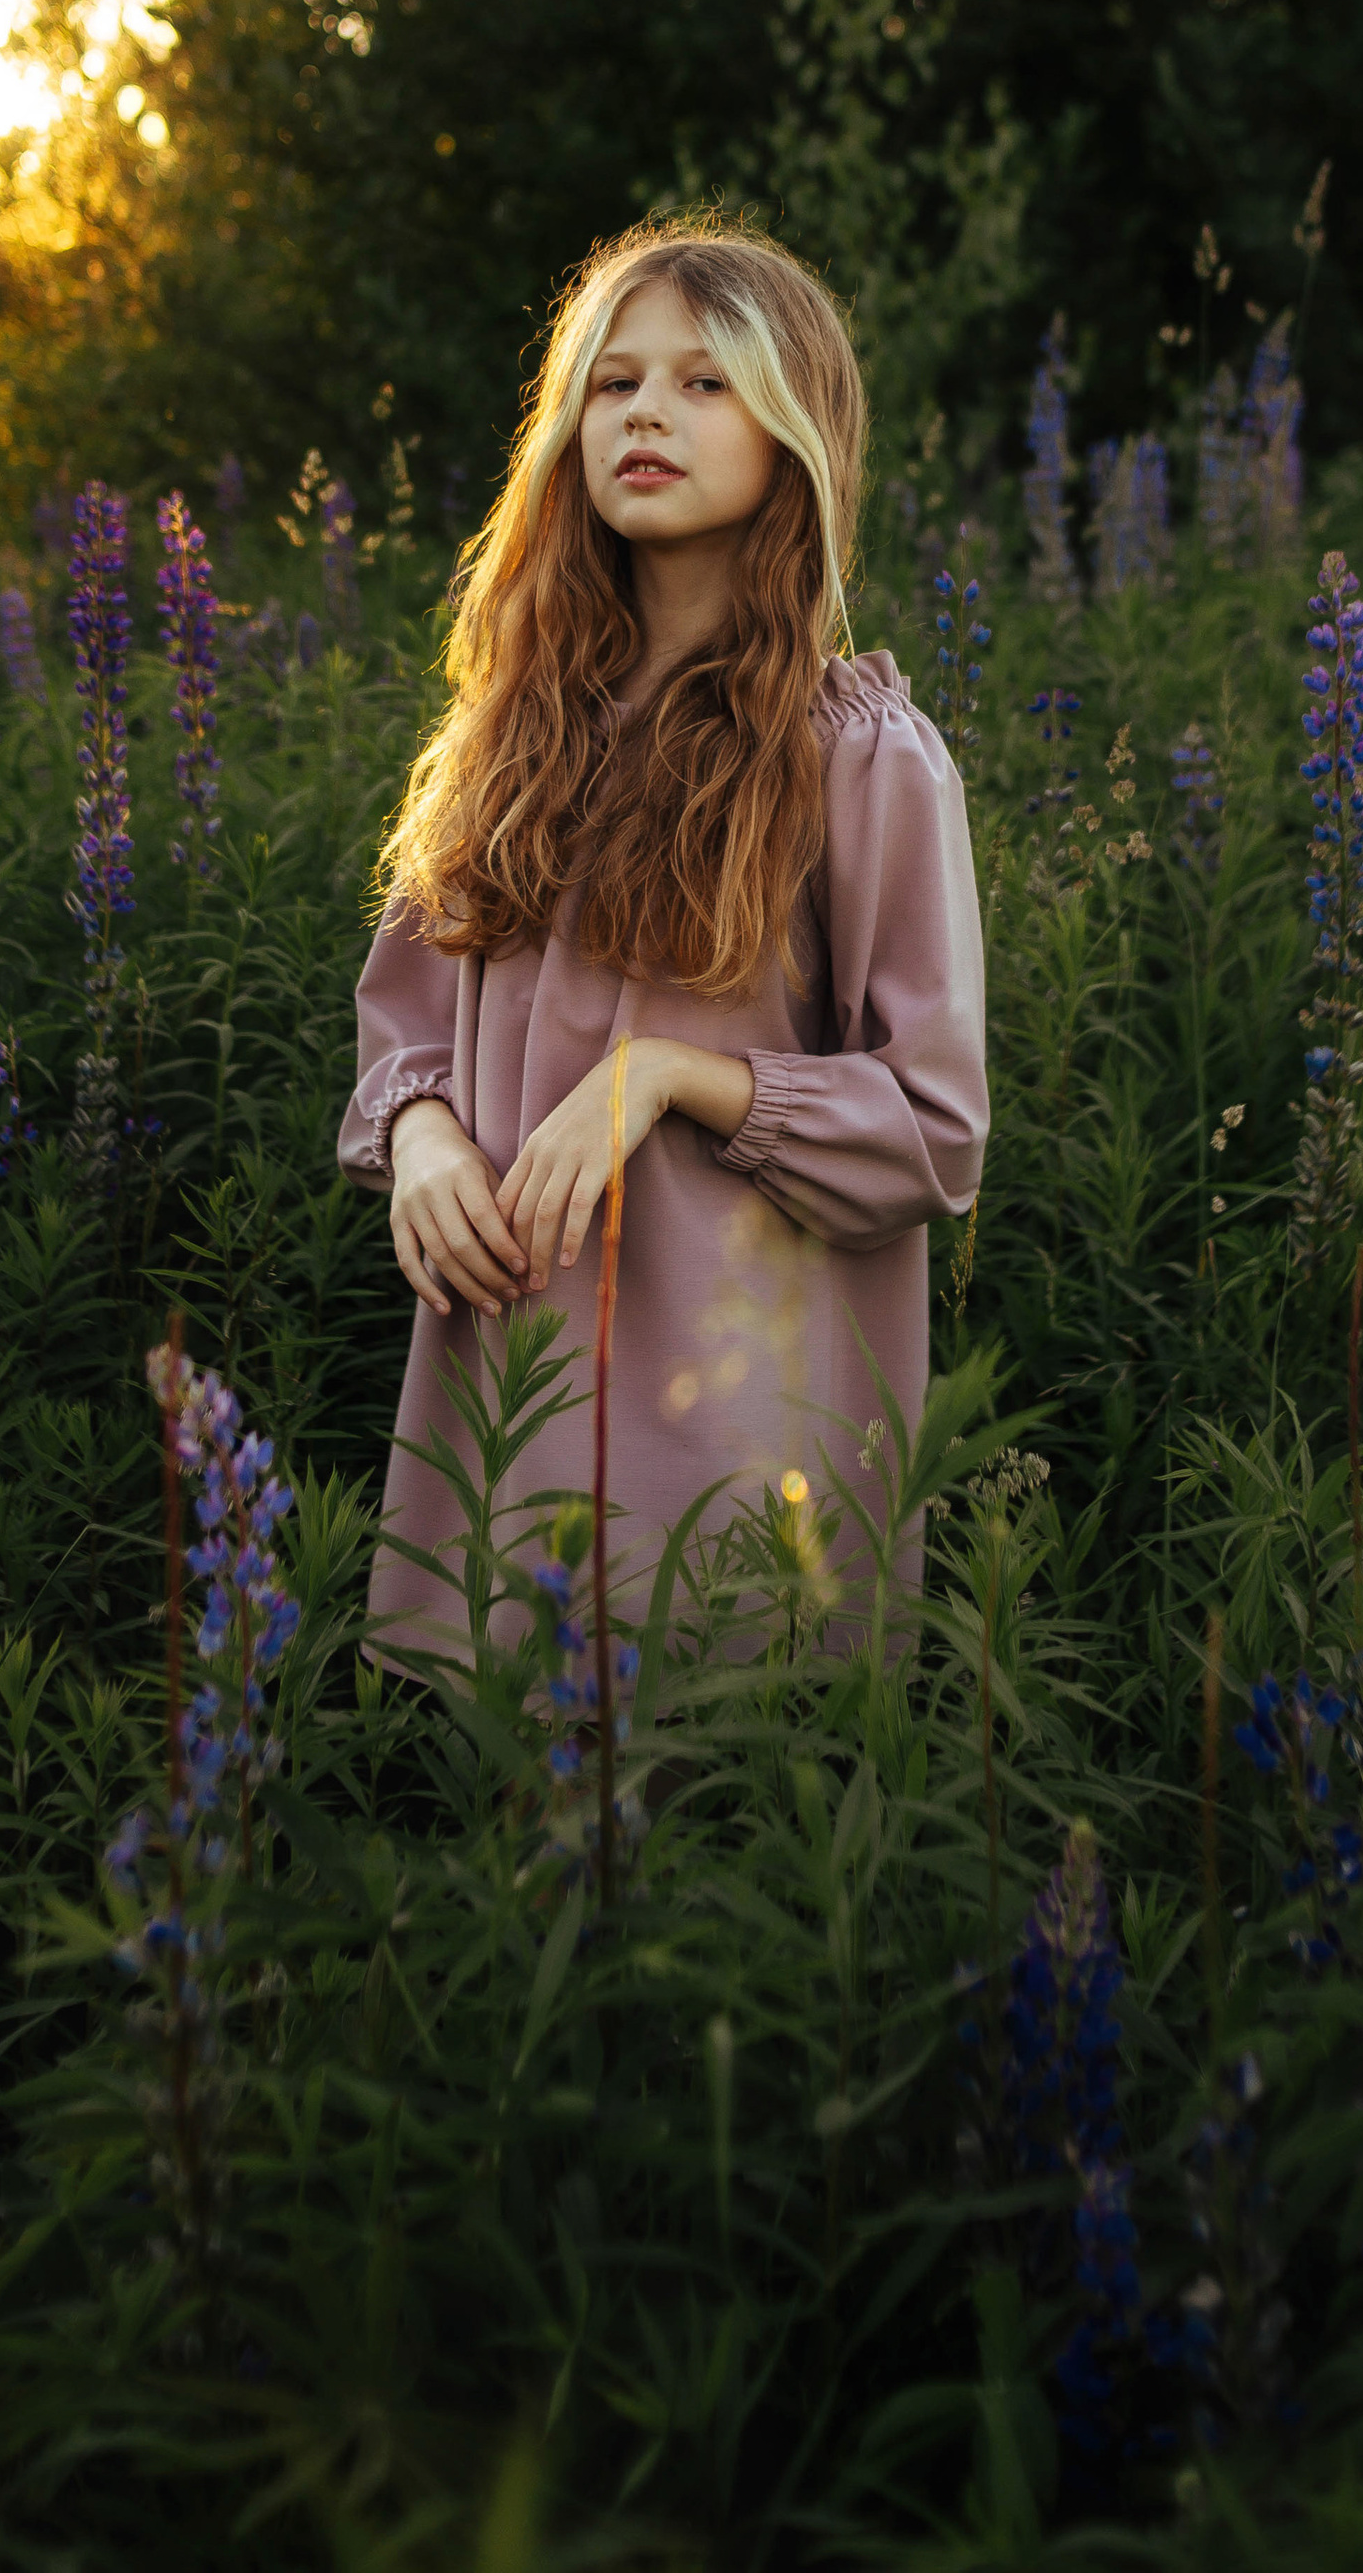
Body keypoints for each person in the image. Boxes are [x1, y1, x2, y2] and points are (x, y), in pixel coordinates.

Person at [340, 218, 989, 1656]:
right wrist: (427, 1141)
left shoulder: (860, 755)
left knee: (708, 1820)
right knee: (511, 1823)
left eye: (705, 383)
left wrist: (671, 1078)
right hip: (507, 1416)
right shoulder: (506, 737)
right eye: (615, 382)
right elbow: (402, 1034)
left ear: (794, 432)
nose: (645, 411)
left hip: (737, 1450)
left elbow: (937, 1133)